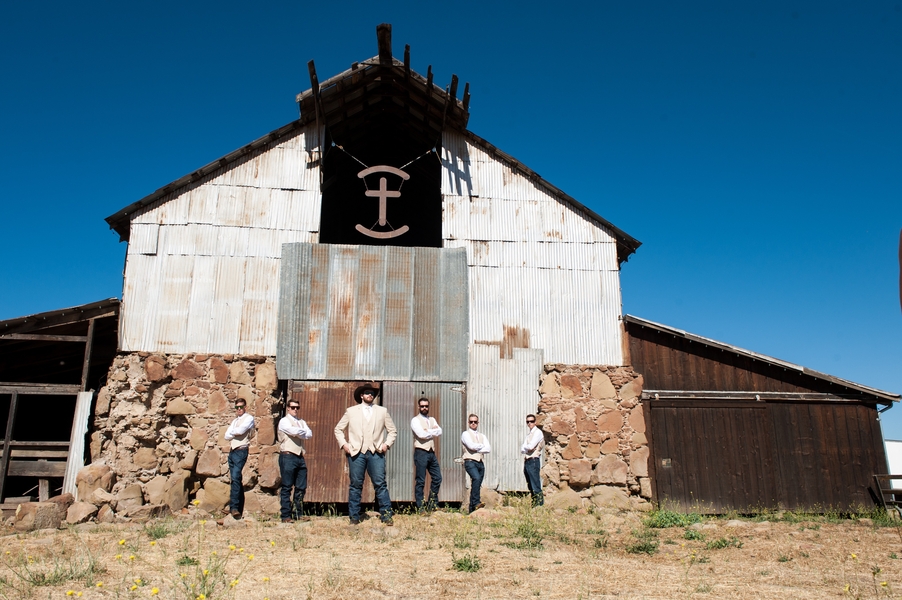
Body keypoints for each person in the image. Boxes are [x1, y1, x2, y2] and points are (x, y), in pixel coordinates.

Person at [334, 384, 397, 525]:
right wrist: (345, 445)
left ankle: (386, 516)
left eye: (372, 393)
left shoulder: (382, 411)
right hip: (357, 452)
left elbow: (392, 430)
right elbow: (338, 429)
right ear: (361, 395)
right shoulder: (351, 411)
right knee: (356, 485)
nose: (370, 395)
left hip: (376, 452)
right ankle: (354, 517)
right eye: (367, 393)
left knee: (380, 484)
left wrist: (386, 444)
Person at [277, 400, 313, 523]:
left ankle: (298, 513)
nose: (295, 409)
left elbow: (309, 434)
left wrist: (300, 432)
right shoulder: (284, 421)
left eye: (297, 407)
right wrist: (300, 432)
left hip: (299, 456)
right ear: (288, 408)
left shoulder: (301, 421)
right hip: (288, 455)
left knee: (301, 486)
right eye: (293, 407)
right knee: (287, 486)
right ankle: (286, 515)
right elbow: (294, 431)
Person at [410, 397, 443, 512]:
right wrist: (432, 431)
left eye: (426, 406)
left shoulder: (432, 419)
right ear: (419, 407)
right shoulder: (415, 420)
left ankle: (432, 503)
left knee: (437, 478)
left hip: (431, 452)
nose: (424, 408)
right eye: (422, 406)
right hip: (421, 452)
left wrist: (427, 430)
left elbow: (440, 431)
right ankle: (420, 507)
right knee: (420, 480)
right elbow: (421, 435)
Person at [224, 400, 255, 519]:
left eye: (241, 407)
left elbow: (240, 431)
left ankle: (234, 508)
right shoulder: (235, 421)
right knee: (235, 479)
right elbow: (226, 436)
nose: (238, 409)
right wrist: (233, 432)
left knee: (236, 477)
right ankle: (237, 509)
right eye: (236, 407)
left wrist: (233, 432)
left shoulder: (248, 418)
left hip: (241, 450)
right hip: (233, 450)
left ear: (245, 407)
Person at [460, 413, 491, 513]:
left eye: (475, 422)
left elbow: (488, 448)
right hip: (470, 461)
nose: (473, 424)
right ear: (468, 423)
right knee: (476, 478)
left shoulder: (482, 436)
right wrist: (481, 446)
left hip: (480, 461)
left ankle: (472, 508)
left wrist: (477, 446)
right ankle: (476, 502)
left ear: (478, 423)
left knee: (477, 483)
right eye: (471, 422)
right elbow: (471, 446)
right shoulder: (465, 434)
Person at [520, 413, 545, 506]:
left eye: (531, 421)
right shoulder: (529, 434)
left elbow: (530, 446)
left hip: (533, 460)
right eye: (528, 422)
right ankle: (534, 504)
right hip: (527, 460)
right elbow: (522, 449)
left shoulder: (538, 432)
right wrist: (527, 447)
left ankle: (539, 505)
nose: (529, 423)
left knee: (535, 484)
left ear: (535, 422)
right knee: (530, 484)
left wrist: (527, 447)